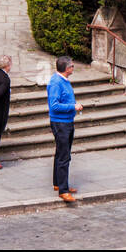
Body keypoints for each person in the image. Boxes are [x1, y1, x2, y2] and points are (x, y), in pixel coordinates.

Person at [47, 55, 83, 203]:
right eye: (72, 66)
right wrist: (73, 106)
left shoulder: (63, 81)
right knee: (64, 156)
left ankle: (58, 183)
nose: (73, 67)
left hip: (67, 121)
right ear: (67, 68)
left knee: (60, 153)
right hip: (61, 123)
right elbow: (54, 105)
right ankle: (63, 190)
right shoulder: (56, 83)